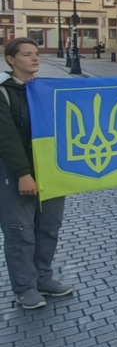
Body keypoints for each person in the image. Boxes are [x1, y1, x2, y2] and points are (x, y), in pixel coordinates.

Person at [0, 38, 74, 309]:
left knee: (48, 227)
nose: (35, 59)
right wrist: (23, 173)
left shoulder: (44, 90)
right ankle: (25, 287)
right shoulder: (4, 92)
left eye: (36, 54)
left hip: (50, 171)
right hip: (16, 171)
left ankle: (43, 278)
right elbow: (6, 137)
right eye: (27, 54)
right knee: (20, 231)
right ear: (11, 60)